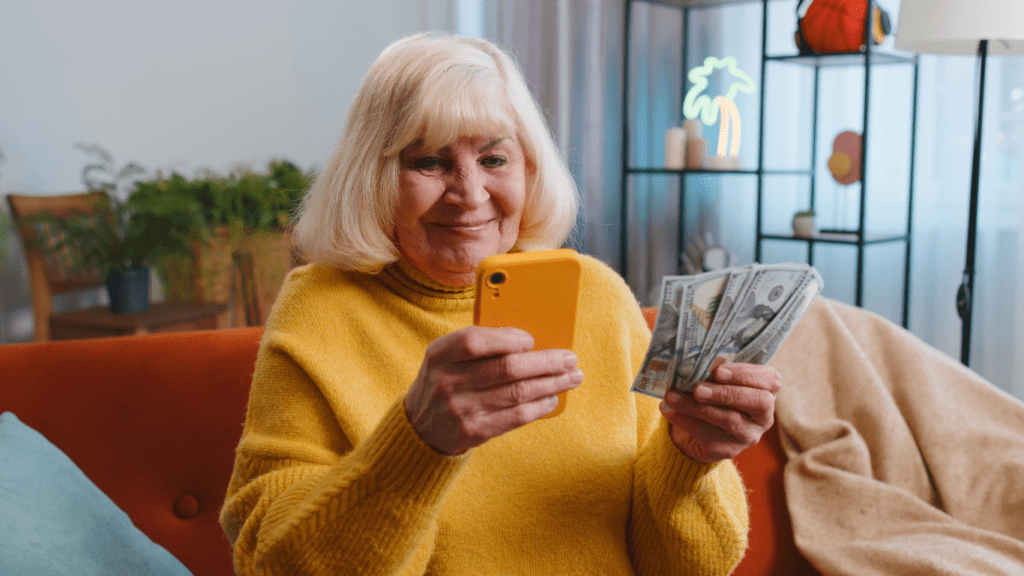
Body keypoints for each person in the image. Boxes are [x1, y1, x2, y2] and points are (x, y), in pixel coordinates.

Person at [219, 31, 780, 575]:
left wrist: (691, 459)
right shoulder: (321, 306)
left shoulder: (598, 294)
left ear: (529, 168)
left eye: (493, 160)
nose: (469, 195)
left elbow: (690, 566)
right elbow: (269, 562)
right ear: (374, 176)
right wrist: (417, 444)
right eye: (430, 163)